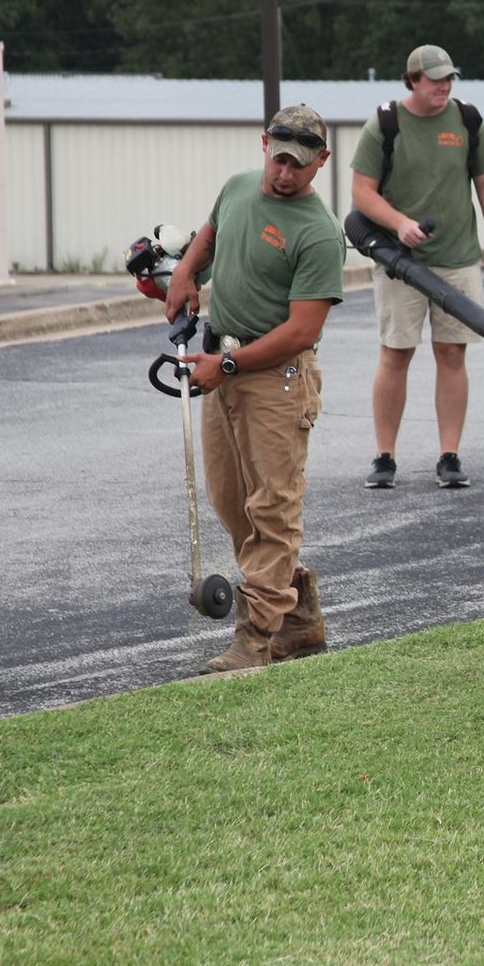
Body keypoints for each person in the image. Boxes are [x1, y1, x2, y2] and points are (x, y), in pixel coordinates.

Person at [165, 104, 347, 673]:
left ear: (321, 161)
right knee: (230, 497)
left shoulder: (319, 234)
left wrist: (231, 367)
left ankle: (256, 637)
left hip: (275, 377)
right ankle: (300, 617)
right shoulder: (240, 186)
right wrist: (184, 274)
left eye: (298, 163)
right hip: (222, 359)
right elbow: (212, 234)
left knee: (273, 504)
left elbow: (302, 330)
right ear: (262, 144)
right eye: (278, 157)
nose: (284, 173)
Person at [350, 44, 484, 489]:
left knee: (452, 353)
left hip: (458, 259)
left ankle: (449, 455)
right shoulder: (383, 124)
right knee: (396, 353)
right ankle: (385, 456)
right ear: (413, 80)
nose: (444, 86)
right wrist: (399, 224)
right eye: (435, 79)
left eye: (449, 79)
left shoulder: (466, 120)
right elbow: (362, 194)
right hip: (399, 262)